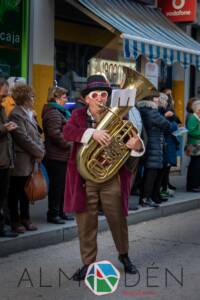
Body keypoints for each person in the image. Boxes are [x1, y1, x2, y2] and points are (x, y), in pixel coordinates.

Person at [62, 74, 145, 281]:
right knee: (86, 222)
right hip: (85, 180)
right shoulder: (78, 116)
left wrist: (136, 147)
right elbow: (67, 131)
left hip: (111, 178)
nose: (100, 98)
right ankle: (88, 264)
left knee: (118, 219)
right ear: (87, 99)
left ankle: (124, 255)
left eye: (103, 95)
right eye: (95, 95)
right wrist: (92, 133)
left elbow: (133, 142)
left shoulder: (120, 116)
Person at [8, 84, 45, 233]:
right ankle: (15, 221)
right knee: (16, 192)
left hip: (31, 158)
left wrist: (40, 148)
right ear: (25, 98)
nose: (34, 99)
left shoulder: (29, 112)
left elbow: (36, 135)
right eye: (32, 96)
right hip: (21, 160)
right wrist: (39, 153)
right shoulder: (16, 114)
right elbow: (23, 138)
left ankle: (26, 218)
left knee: (26, 191)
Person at [42, 86, 73, 224]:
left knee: (62, 187)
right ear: (56, 97)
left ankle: (61, 212)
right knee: (57, 187)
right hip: (56, 156)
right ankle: (53, 214)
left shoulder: (61, 111)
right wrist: (70, 145)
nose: (66, 99)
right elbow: (55, 134)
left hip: (62, 155)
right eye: (64, 97)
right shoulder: (53, 112)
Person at [137, 93, 171, 207]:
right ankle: (145, 198)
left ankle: (146, 197)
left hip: (150, 145)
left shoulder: (143, 110)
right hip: (154, 145)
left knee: (149, 173)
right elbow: (167, 125)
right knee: (151, 174)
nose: (158, 100)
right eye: (156, 98)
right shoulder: (151, 111)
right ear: (151, 100)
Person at [0, 79, 18, 238]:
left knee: (3, 195)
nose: (4, 99)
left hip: (4, 159)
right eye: (2, 95)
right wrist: (4, 128)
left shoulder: (1, 108)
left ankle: (2, 227)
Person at [186, 100, 200, 192]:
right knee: (195, 165)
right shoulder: (192, 118)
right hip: (194, 144)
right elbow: (191, 131)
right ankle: (193, 185)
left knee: (196, 165)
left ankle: (195, 184)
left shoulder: (196, 117)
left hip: (196, 144)